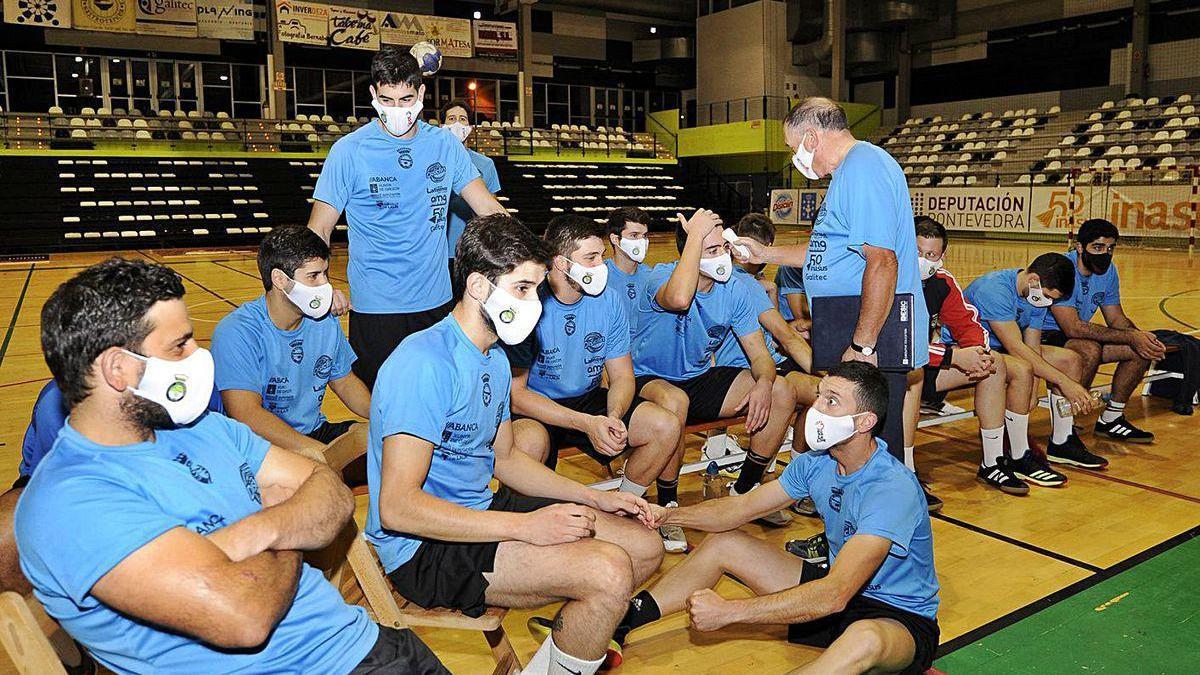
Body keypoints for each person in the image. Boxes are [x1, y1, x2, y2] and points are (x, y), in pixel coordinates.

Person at [17, 258, 446, 674]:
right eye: (180, 345)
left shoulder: (206, 427)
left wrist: (258, 530)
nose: (197, 355)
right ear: (118, 369)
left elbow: (331, 493)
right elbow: (245, 618)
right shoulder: (73, 501)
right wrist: (286, 519)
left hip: (365, 645)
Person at [365, 214, 664, 675]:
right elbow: (398, 509)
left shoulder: (495, 359)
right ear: (480, 287)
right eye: (522, 289)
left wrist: (595, 497)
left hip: (480, 511)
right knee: (606, 573)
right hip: (423, 547)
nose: (535, 305)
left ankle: (568, 644)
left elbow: (504, 459)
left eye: (537, 290)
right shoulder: (423, 363)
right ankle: (583, 628)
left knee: (646, 547)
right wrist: (525, 528)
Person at [616, 362, 940, 675]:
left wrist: (731, 612)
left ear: (863, 422)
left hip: (898, 618)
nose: (816, 409)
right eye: (819, 396)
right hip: (836, 593)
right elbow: (738, 509)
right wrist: (668, 515)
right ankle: (623, 618)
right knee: (725, 543)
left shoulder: (890, 487)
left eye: (831, 401)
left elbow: (835, 594)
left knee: (863, 639)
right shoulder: (816, 463)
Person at [732, 97, 930, 467]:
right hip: (852, 322)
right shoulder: (848, 175)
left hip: (874, 332)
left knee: (872, 446)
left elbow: (882, 260)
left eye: (794, 148)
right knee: (849, 440)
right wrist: (764, 254)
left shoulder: (864, 167)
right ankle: (855, 518)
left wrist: (863, 345)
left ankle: (884, 521)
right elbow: (826, 251)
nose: (796, 158)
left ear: (811, 138)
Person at [307, 46, 506, 390]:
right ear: (373, 95)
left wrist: (533, 254)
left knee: (440, 400)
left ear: (422, 94)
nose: (397, 110)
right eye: (387, 100)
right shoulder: (349, 151)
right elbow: (319, 227)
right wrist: (318, 283)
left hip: (437, 304)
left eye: (406, 99)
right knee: (383, 407)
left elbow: (489, 209)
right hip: (375, 308)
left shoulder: (445, 145)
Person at [507, 215, 688, 553]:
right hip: (538, 405)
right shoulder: (530, 304)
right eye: (591, 258)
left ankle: (624, 505)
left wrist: (613, 416)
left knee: (664, 425)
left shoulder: (608, 299)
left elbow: (621, 376)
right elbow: (516, 396)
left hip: (589, 399)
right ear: (561, 263)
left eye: (602, 255)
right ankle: (525, 532)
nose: (601, 265)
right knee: (525, 444)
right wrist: (586, 424)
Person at [633, 209, 797, 526]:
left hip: (697, 378)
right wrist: (695, 235)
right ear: (690, 252)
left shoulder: (733, 289)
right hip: (648, 379)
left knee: (781, 390)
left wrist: (763, 383)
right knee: (675, 401)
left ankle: (745, 490)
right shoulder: (660, 277)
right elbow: (680, 299)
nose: (722, 256)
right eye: (711, 250)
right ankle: (668, 506)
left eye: (723, 247)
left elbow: (760, 355)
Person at [906, 217, 1067, 496]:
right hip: (894, 365)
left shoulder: (943, 282)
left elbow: (970, 323)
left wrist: (977, 353)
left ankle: (996, 461)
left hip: (932, 360)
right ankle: (905, 470)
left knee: (994, 364)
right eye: (917, 252)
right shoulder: (889, 278)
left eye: (931, 254)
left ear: (943, 256)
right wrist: (954, 356)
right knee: (912, 379)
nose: (923, 260)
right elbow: (899, 345)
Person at [213, 226, 370, 467]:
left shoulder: (325, 321)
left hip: (312, 432)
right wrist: (316, 452)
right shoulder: (237, 331)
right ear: (279, 279)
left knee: (379, 444)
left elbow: (346, 383)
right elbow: (246, 413)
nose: (325, 284)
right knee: (324, 476)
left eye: (325, 273)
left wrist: (390, 420)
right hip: (255, 443)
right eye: (314, 276)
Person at [962, 253, 1106, 468]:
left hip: (1006, 349)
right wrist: (1066, 384)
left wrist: (1034, 388)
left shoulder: (1036, 296)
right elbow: (1016, 347)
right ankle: (1018, 453)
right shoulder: (994, 289)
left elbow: (1032, 345)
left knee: (1070, 360)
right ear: (1033, 280)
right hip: (973, 350)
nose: (1049, 302)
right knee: (1021, 368)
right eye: (1048, 296)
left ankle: (1062, 441)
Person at [1041, 218, 1165, 443]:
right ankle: (1064, 431)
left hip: (1073, 335)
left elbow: (1116, 317)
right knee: (1088, 349)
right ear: (1080, 247)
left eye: (1110, 248)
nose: (1105, 254)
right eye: (1097, 247)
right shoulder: (1063, 269)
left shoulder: (1108, 272)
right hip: (1044, 334)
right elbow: (1072, 327)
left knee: (1138, 349)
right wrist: (1132, 336)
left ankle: (1112, 418)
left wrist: (1140, 337)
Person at [716, 214, 819, 441]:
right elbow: (787, 339)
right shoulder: (748, 284)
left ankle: (717, 445)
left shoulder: (736, 277)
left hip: (736, 367)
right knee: (825, 395)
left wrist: (772, 290)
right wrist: (826, 375)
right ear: (767, 247)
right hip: (751, 370)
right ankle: (798, 458)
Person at [442, 99, 502, 273]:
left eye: (463, 119)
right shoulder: (431, 161)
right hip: (438, 251)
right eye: (451, 118)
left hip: (471, 250)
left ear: (470, 127)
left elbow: (491, 208)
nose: (457, 123)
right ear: (442, 125)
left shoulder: (485, 164)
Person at [604, 206, 656, 342]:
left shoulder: (652, 276)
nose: (642, 241)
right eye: (634, 236)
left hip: (643, 354)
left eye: (644, 236)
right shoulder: (601, 277)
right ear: (615, 239)